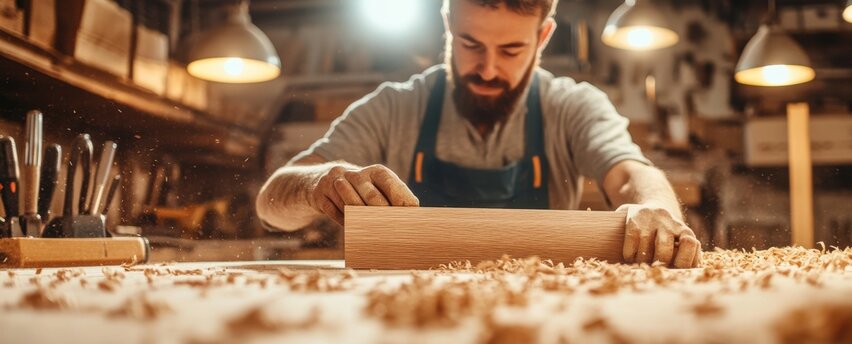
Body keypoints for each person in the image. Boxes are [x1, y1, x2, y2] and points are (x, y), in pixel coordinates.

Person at [257, 0, 702, 268]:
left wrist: (654, 208)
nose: (488, 69)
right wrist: (318, 183)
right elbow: (271, 205)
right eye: (471, 45)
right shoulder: (394, 106)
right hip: (400, 316)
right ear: (449, 23)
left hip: (543, 318)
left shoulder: (571, 106)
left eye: (511, 50)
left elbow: (629, 174)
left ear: (543, 36)